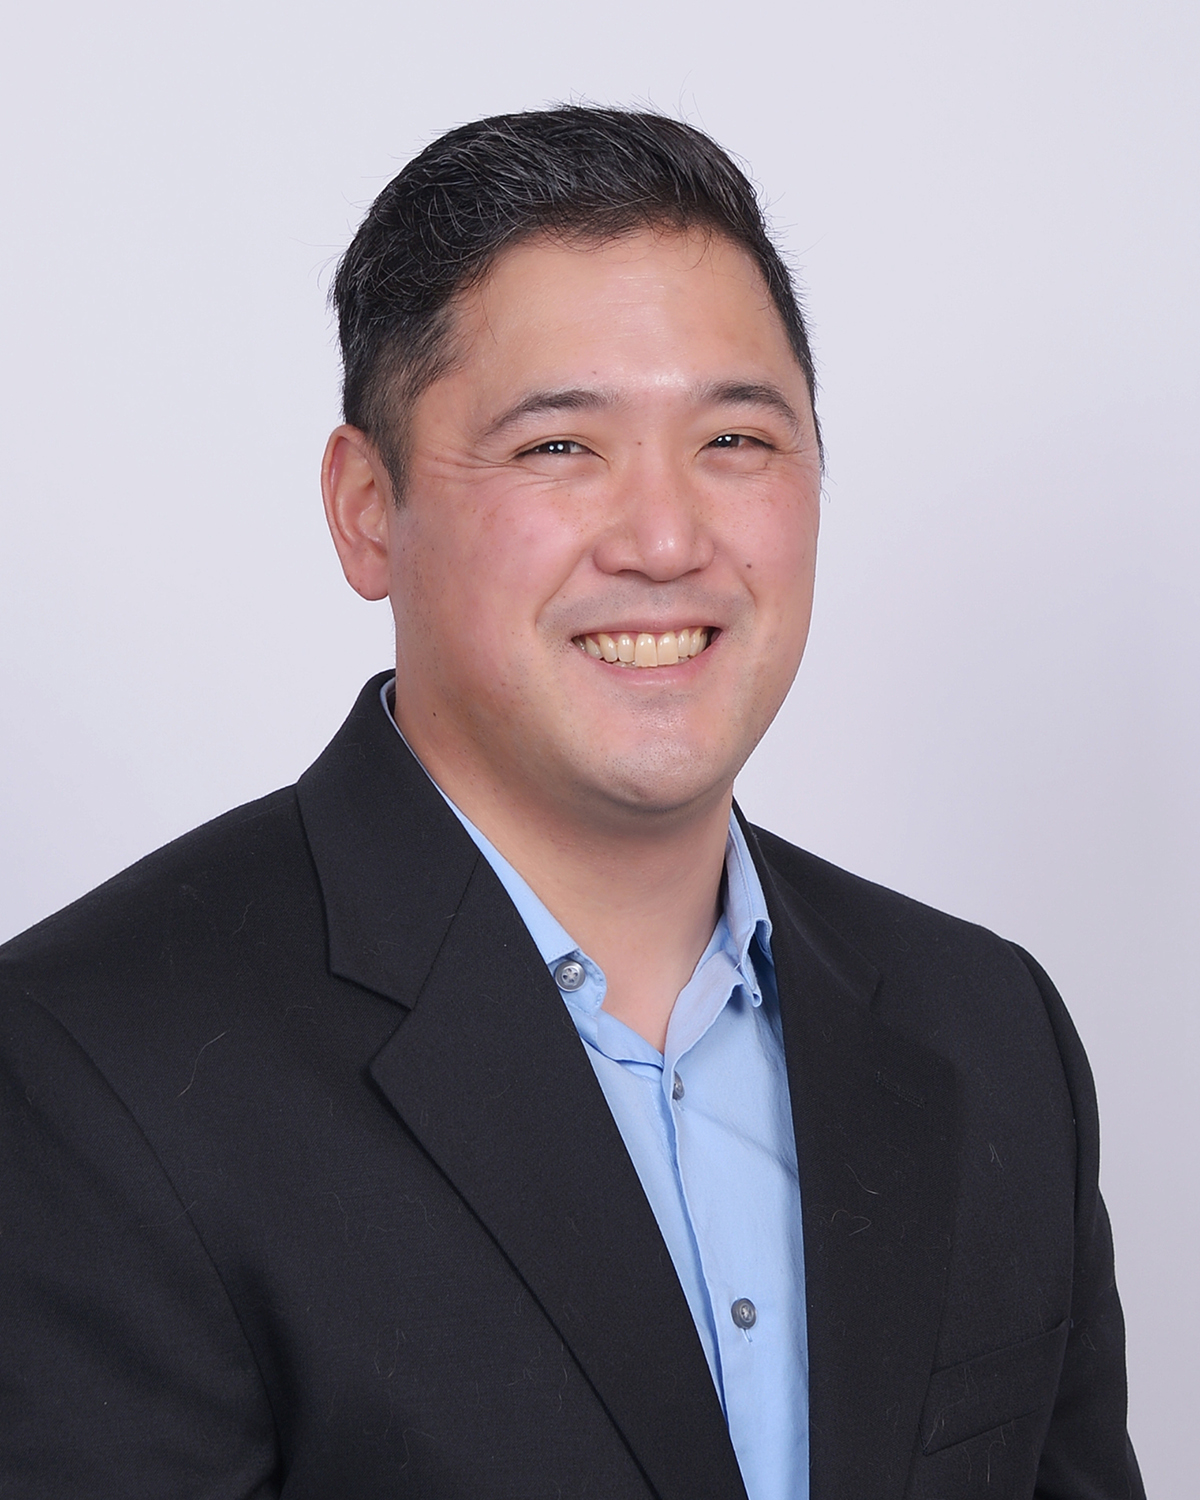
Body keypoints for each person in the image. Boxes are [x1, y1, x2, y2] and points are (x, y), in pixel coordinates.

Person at [0, 108, 1142, 1500]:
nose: (665, 538)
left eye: (736, 438)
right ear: (366, 508)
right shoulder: (89, 1068)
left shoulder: (988, 1030)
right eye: (558, 448)